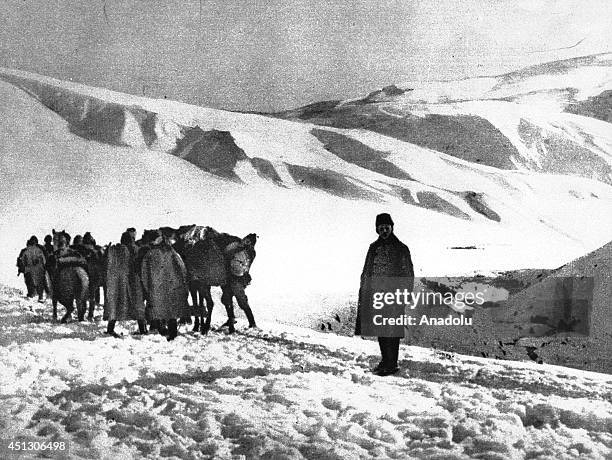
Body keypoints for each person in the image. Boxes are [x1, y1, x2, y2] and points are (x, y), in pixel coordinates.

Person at [355, 213, 414, 376]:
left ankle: (391, 363)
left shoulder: (401, 248)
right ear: (377, 230)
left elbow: (408, 273)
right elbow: (366, 271)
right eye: (381, 228)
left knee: (392, 331)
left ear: (392, 227)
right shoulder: (373, 248)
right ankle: (385, 360)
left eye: (387, 227)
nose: (384, 231)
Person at [104, 232, 147, 338]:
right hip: (133, 280)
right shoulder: (135, 249)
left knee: (115, 304)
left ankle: (110, 329)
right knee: (138, 304)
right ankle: (142, 329)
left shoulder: (115, 250)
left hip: (118, 282)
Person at [221, 233, 258, 331]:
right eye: (246, 239)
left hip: (237, 279)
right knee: (226, 298)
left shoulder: (246, 252)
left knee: (242, 301)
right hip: (232, 278)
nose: (245, 241)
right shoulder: (242, 249)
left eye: (248, 241)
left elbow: (237, 265)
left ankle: (252, 323)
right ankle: (231, 319)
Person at [17, 236, 47, 301]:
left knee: (30, 289)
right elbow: (44, 261)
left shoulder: (25, 251)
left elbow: (21, 262)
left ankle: (31, 300)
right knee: (40, 286)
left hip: (28, 271)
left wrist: (21, 269)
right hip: (39, 271)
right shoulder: (40, 250)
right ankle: (40, 298)